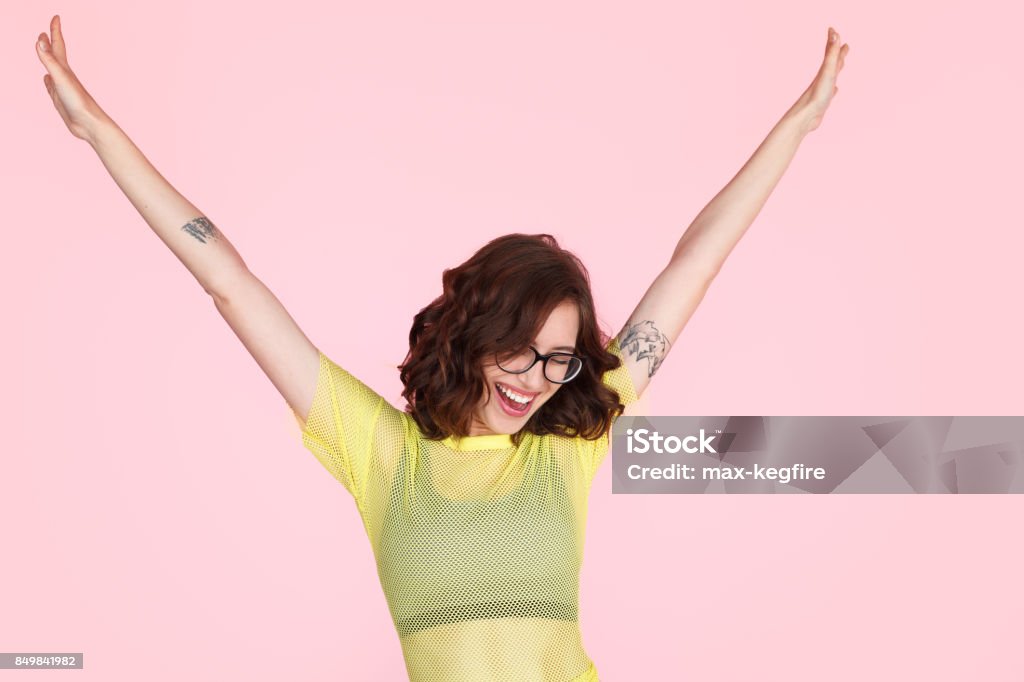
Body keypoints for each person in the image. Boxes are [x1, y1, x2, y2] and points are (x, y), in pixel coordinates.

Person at [35, 15, 848, 681]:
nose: (539, 380)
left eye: (560, 358)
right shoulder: (382, 456)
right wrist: (98, 132)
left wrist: (798, 126)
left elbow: (694, 262)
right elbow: (230, 283)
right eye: (522, 351)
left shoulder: (565, 450)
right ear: (475, 338)